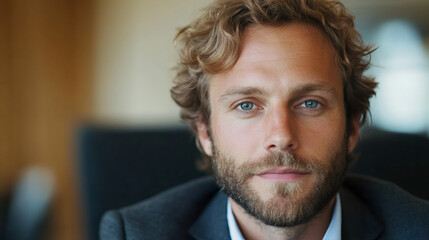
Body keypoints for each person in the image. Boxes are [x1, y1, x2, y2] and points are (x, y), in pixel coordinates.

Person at [100, 0, 429, 239]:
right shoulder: (136, 234)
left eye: (310, 103)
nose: (281, 135)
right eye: (246, 105)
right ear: (204, 130)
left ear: (353, 126)